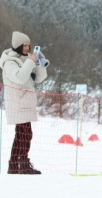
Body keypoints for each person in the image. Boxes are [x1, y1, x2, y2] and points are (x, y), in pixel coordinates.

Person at [1, 31, 48, 174]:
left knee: (24, 134)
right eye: (25, 45)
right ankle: (19, 164)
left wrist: (40, 62)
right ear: (18, 45)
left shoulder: (28, 59)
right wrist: (30, 62)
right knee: (24, 134)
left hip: (27, 102)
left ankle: (17, 164)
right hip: (17, 102)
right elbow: (20, 78)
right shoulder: (9, 62)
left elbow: (39, 78)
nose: (27, 48)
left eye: (29, 45)